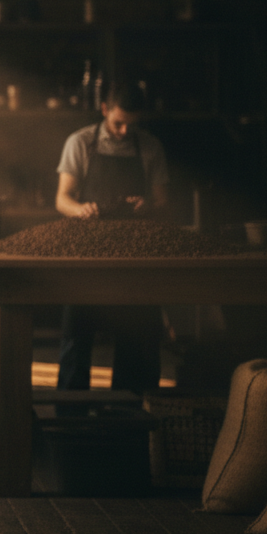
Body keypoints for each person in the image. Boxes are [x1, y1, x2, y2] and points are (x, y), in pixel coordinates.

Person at [54, 81, 169, 393]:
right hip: (86, 256)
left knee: (138, 339)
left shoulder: (149, 147)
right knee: (76, 337)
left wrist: (149, 206)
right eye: (118, 123)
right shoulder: (80, 143)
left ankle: (129, 417)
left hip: (134, 258)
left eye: (131, 125)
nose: (123, 132)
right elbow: (62, 199)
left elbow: (162, 200)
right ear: (104, 110)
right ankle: (70, 421)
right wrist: (80, 210)